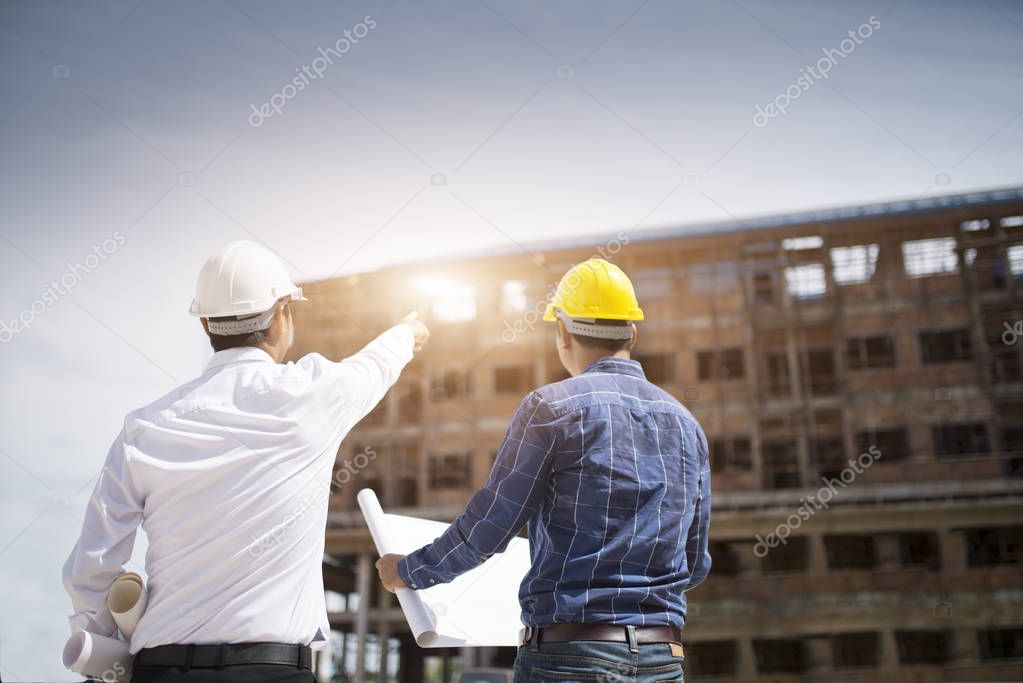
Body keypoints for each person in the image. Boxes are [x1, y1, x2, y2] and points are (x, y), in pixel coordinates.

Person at [62, 240, 429, 682]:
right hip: (271, 671)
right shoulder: (314, 392)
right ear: (281, 319)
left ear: (204, 324)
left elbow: (91, 567)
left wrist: (105, 647)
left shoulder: (143, 427)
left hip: (161, 670)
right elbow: (376, 363)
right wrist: (408, 331)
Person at [376, 258, 711, 683]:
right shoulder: (688, 426)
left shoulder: (551, 408)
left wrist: (408, 571)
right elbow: (694, 563)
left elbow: (488, 528)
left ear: (562, 333)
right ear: (633, 333)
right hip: (662, 658)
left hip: (570, 656)